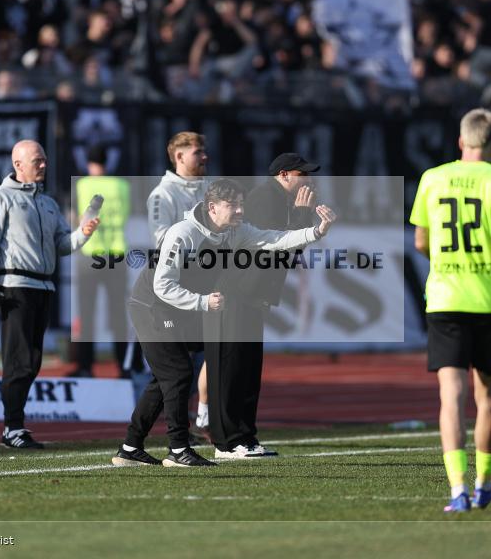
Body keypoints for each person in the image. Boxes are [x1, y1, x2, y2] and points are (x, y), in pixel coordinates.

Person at [112, 178, 336, 468]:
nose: (241, 210)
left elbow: (274, 240)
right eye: (233, 205)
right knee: (179, 373)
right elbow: (162, 286)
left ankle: (130, 447)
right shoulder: (183, 233)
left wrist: (316, 231)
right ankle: (179, 450)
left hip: (177, 307)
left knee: (167, 378)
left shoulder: (235, 231)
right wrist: (203, 303)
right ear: (212, 208)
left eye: (242, 204)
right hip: (152, 305)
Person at [410, 108, 491, 512]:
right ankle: (484, 483)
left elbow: (420, 242)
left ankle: (456, 491)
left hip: (446, 299)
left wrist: (448, 264)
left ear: (460, 142)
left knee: (451, 397)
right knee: (489, 400)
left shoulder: (432, 179)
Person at [0, 140, 99, 449]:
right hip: (15, 288)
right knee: (18, 360)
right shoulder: (0, 198)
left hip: (43, 287)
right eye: (37, 160)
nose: (43, 165)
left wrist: (82, 234)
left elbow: (62, 245)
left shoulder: (48, 202)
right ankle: (12, 428)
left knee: (31, 361)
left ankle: (16, 424)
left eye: (44, 159)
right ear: (18, 165)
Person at [207, 153, 320, 459]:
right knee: (230, 369)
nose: (308, 180)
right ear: (284, 174)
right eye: (303, 174)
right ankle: (227, 442)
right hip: (235, 294)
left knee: (247, 369)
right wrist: (301, 216)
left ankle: (244, 436)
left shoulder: (279, 200)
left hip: (251, 295)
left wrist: (302, 217)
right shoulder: (264, 199)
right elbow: (276, 246)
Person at [146, 132, 210, 438]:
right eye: (198, 152)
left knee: (202, 358)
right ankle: (176, 429)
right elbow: (163, 240)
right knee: (177, 367)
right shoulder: (163, 194)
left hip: (204, 281)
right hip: (177, 286)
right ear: (179, 157)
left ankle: (199, 419)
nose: (204, 157)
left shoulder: (208, 188)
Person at [70, 144, 133, 378]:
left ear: (88, 163)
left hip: (90, 255)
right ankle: (123, 366)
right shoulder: (121, 186)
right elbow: (126, 214)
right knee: (118, 314)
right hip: (116, 255)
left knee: (87, 313)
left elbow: (77, 218)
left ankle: (86, 366)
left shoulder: (83, 185)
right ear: (108, 162)